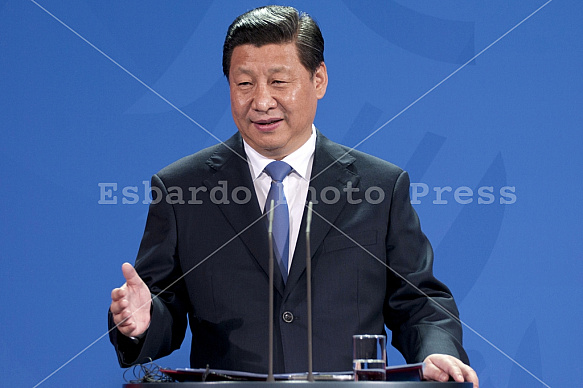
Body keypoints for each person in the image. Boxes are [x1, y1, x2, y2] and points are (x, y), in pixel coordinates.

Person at [109, 5, 479, 387]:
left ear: (318, 79)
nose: (262, 101)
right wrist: (143, 321)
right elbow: (162, 305)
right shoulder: (180, 189)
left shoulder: (381, 186)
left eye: (279, 82)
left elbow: (419, 302)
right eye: (244, 83)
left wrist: (439, 351)